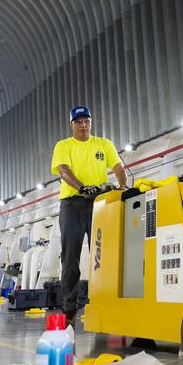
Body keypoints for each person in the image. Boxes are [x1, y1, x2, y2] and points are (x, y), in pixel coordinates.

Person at [51, 105, 126, 325]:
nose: (83, 125)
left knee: (102, 256)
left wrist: (123, 186)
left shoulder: (104, 144)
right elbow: (64, 171)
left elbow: (118, 166)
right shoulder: (64, 146)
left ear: (91, 123)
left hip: (99, 205)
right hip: (72, 206)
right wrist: (82, 187)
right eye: (78, 121)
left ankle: (104, 301)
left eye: (86, 121)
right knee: (70, 258)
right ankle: (70, 308)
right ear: (71, 124)